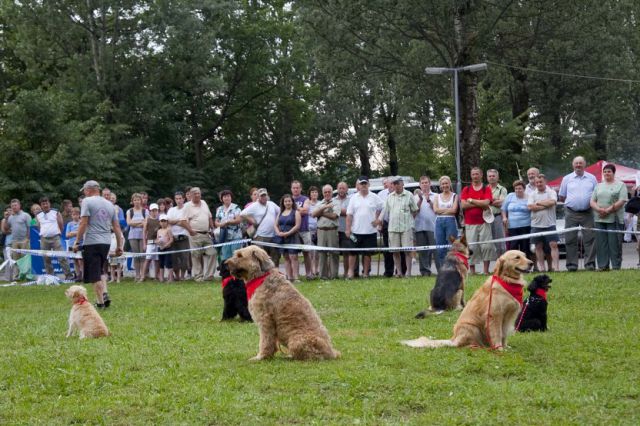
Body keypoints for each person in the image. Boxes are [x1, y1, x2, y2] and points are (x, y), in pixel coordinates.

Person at [74, 180, 123, 308]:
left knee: (94, 274)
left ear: (89, 190)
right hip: (106, 242)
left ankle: (100, 302)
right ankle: (105, 293)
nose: (84, 193)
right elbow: (117, 226)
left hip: (92, 241)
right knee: (100, 269)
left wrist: (77, 241)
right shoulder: (110, 204)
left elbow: (83, 223)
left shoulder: (87, 201)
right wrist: (119, 246)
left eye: (84, 191)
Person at [558, 156, 597, 271]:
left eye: (580, 163)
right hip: (571, 213)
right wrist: (573, 203)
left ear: (585, 165)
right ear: (573, 165)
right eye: (576, 163)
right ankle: (572, 265)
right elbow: (562, 196)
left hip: (588, 213)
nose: (578, 165)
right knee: (570, 239)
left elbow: (596, 195)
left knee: (590, 239)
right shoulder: (566, 179)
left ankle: (589, 264)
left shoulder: (592, 178)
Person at [590, 164, 627, 270]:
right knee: (601, 244)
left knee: (614, 244)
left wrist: (607, 210)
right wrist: (599, 209)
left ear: (613, 173)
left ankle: (616, 266)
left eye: (609, 171)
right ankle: (602, 266)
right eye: (605, 171)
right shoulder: (599, 186)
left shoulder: (621, 185)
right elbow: (592, 201)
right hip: (599, 218)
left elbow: (622, 201)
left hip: (614, 219)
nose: (606, 173)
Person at [346, 176, 383, 279]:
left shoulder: (375, 197)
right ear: (358, 185)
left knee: (367, 254)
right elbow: (349, 214)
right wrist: (348, 229)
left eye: (365, 184)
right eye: (361, 184)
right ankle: (350, 272)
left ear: (368, 185)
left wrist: (378, 220)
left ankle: (366, 273)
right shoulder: (353, 197)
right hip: (355, 231)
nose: (363, 186)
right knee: (352, 252)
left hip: (370, 231)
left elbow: (384, 208)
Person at [380, 176, 418, 277]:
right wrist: (379, 222)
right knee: (395, 251)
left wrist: (409, 221)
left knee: (407, 251)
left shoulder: (409, 195)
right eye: (394, 183)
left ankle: (408, 273)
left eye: (398, 183)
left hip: (406, 228)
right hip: (393, 228)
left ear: (402, 184)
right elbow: (385, 211)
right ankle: (399, 272)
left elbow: (415, 210)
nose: (396, 185)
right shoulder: (389, 197)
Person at [460, 167, 496, 274]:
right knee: (472, 247)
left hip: (484, 222)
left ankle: (485, 271)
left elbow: (486, 203)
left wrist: (471, 200)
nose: (475, 176)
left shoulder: (486, 189)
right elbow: (463, 205)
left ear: (481, 175)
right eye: (473, 174)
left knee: (487, 246)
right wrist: (479, 202)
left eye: (477, 174)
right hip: (470, 223)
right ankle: (473, 271)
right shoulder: (466, 189)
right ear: (471, 176)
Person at [181, 187, 216, 282]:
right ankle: (198, 276)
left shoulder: (204, 203)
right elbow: (183, 221)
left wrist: (213, 229)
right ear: (191, 195)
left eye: (199, 193)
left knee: (212, 253)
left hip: (206, 234)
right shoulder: (187, 206)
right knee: (196, 255)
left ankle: (209, 275)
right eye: (195, 193)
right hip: (194, 234)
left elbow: (209, 217)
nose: (197, 195)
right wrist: (191, 231)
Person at [240, 188, 281, 266]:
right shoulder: (254, 205)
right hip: (260, 237)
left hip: (273, 235)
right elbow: (242, 213)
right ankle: (262, 277)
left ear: (267, 195)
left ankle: (275, 275)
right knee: (261, 259)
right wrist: (252, 220)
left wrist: (277, 222)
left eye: (264, 195)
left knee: (275, 258)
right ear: (258, 197)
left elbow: (280, 211)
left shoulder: (271, 204)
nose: (263, 197)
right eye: (261, 196)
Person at [528, 174, 559, 272]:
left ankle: (556, 267)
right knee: (538, 247)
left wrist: (538, 203)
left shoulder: (551, 192)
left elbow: (552, 202)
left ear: (545, 181)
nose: (538, 184)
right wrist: (545, 204)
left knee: (553, 245)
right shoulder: (532, 194)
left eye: (540, 182)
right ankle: (542, 268)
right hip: (536, 225)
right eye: (537, 182)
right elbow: (530, 207)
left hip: (550, 224)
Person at [36, 196, 73, 279]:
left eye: (47, 203)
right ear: (41, 205)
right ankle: (50, 276)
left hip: (55, 238)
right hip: (44, 239)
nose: (45, 205)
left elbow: (61, 224)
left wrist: (58, 233)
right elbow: (39, 226)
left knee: (61, 257)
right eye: (43, 204)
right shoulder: (38, 215)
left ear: (49, 203)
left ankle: (69, 276)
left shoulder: (55, 212)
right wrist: (43, 233)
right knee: (46, 259)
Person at [313, 184, 341, 279]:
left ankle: (334, 275)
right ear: (323, 193)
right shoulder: (319, 203)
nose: (327, 193)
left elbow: (334, 216)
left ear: (332, 192)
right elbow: (313, 214)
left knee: (333, 254)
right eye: (325, 192)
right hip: (321, 231)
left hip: (332, 231)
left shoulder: (336, 202)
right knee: (322, 254)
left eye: (329, 192)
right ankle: (323, 276)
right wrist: (325, 207)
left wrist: (321, 212)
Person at [275, 194, 302, 282]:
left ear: (292, 202)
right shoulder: (280, 212)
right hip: (282, 238)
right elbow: (275, 225)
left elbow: (297, 226)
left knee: (293, 257)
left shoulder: (296, 212)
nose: (287, 203)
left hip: (293, 237)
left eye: (289, 201)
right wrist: (279, 232)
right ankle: (289, 277)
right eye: (285, 201)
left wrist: (288, 233)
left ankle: (296, 277)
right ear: (283, 203)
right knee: (286, 257)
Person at [414, 176, 438, 275]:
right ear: (419, 185)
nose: (424, 184)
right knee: (423, 251)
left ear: (430, 183)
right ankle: (425, 271)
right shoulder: (414, 197)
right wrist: (420, 200)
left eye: (426, 182)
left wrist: (428, 200)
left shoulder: (436, 196)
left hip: (433, 227)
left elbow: (437, 210)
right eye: (422, 183)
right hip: (419, 227)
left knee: (435, 250)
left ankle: (440, 270)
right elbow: (414, 212)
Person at [2, 199, 31, 280]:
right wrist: (6, 219)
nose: (14, 207)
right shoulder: (10, 217)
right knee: (15, 260)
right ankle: (16, 276)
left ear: (19, 205)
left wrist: (27, 239)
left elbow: (30, 227)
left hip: (24, 240)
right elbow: (6, 228)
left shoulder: (26, 215)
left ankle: (26, 276)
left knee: (25, 259)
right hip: (14, 241)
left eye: (15, 205)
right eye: (12, 206)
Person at [433, 176, 459, 266]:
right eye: (443, 184)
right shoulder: (437, 196)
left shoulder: (455, 196)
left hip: (451, 221)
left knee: (451, 246)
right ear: (440, 185)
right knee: (440, 247)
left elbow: (454, 210)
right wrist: (448, 210)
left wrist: (442, 211)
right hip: (439, 222)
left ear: (449, 184)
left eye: (446, 183)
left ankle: (452, 267)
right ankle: (443, 268)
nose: (445, 185)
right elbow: (435, 210)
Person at [501, 180, 531, 257]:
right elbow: (503, 208)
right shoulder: (510, 196)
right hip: (512, 227)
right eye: (516, 188)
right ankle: (513, 266)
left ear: (524, 189)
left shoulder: (529, 197)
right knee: (513, 247)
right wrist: (504, 217)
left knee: (525, 247)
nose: (518, 190)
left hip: (526, 226)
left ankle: (525, 266)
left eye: (520, 188)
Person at [291, 180, 314, 280]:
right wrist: (299, 210)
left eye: (297, 187)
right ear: (291, 189)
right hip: (292, 231)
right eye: (294, 188)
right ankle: (295, 275)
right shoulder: (288, 199)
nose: (296, 189)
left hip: (304, 229)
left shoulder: (305, 198)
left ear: (300, 188)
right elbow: (284, 211)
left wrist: (293, 209)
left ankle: (309, 273)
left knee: (306, 253)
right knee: (293, 254)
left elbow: (305, 211)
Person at [334, 181, 356, 277]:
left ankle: (347, 272)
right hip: (334, 230)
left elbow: (350, 213)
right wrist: (344, 211)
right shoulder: (333, 200)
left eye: (343, 188)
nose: (341, 190)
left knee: (347, 252)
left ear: (347, 189)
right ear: (337, 189)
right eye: (340, 188)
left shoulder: (351, 200)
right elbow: (332, 212)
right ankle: (334, 273)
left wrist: (337, 211)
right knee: (334, 253)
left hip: (346, 230)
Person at [214, 189, 243, 262]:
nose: (226, 198)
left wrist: (228, 222)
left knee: (236, 257)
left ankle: (236, 273)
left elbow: (238, 220)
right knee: (226, 258)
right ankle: (227, 273)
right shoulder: (219, 209)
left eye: (228, 196)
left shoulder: (236, 208)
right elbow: (216, 222)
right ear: (222, 199)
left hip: (236, 236)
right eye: (224, 196)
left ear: (231, 197)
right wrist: (220, 224)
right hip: (224, 237)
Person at [167, 191, 190, 281]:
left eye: (180, 198)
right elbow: (169, 221)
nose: (178, 200)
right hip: (173, 237)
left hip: (183, 237)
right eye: (177, 199)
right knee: (174, 257)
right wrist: (179, 221)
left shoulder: (187, 209)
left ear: (183, 199)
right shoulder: (171, 210)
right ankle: (176, 276)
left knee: (184, 257)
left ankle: (183, 276)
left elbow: (185, 222)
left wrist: (176, 222)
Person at [126, 193, 147, 281]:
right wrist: (140, 223)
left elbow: (145, 223)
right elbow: (129, 223)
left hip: (142, 235)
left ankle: (142, 275)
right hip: (132, 236)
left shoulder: (145, 211)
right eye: (135, 200)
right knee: (136, 255)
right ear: (132, 201)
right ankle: (137, 275)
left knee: (142, 255)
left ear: (141, 201)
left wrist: (135, 223)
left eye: (138, 200)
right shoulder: (129, 211)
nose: (137, 202)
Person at [487, 169, 507, 256]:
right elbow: (481, 202)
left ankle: (502, 263)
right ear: (487, 178)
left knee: (500, 243)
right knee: (487, 243)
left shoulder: (502, 189)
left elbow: (503, 203)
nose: (491, 178)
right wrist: (495, 200)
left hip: (497, 217)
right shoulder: (484, 189)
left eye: (493, 176)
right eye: (490, 176)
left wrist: (488, 201)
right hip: (485, 218)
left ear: (497, 177)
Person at [140, 203, 161, 282]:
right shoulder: (147, 220)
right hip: (149, 242)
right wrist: (144, 243)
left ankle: (156, 276)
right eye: (153, 211)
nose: (154, 212)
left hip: (157, 242)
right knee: (147, 259)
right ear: (150, 211)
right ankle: (143, 276)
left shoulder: (160, 220)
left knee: (157, 260)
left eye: (156, 210)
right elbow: (144, 232)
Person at [65, 207, 83, 282]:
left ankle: (83, 275)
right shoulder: (69, 224)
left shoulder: (82, 223)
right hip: (71, 245)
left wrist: (74, 233)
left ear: (79, 215)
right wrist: (76, 233)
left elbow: (82, 233)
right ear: (71, 215)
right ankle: (78, 275)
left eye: (76, 214)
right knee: (75, 261)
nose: (75, 216)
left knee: (80, 260)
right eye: (73, 214)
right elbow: (67, 235)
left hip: (80, 244)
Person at [156, 214, 174, 282]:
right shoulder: (159, 231)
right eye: (161, 221)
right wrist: (158, 242)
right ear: (159, 222)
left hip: (167, 248)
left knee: (168, 263)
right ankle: (161, 278)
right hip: (160, 248)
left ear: (167, 222)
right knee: (161, 263)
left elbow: (171, 239)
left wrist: (165, 245)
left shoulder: (168, 230)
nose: (163, 223)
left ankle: (170, 278)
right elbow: (157, 239)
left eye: (164, 221)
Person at [307, 186, 320, 277]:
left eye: (315, 192)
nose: (314, 194)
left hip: (318, 229)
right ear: (310, 194)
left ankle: (317, 268)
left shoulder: (320, 203)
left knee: (318, 251)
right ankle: (312, 270)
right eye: (312, 192)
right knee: (311, 251)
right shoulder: (307, 204)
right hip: (309, 229)